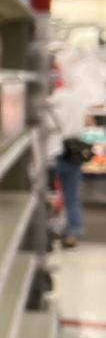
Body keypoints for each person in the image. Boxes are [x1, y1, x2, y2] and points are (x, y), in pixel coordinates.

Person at [47, 42, 106, 246]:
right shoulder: (80, 98)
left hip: (54, 149)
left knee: (51, 193)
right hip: (75, 149)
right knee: (72, 195)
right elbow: (89, 121)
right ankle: (75, 230)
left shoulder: (53, 99)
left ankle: (52, 228)